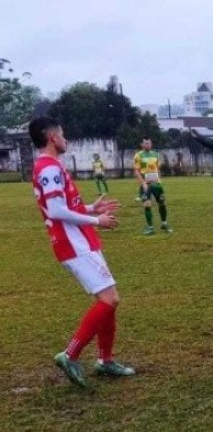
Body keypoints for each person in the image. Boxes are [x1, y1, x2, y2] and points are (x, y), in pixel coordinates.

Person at [28, 117, 135, 388]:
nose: (65, 138)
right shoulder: (48, 167)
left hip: (81, 241)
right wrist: (97, 221)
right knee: (109, 299)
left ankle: (105, 360)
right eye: (62, 134)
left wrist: (90, 209)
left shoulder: (51, 166)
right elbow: (55, 210)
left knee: (109, 298)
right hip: (73, 243)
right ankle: (70, 353)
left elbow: (65, 206)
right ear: (52, 137)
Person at [133, 137, 173, 235]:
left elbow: (157, 168)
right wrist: (143, 183)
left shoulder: (155, 154)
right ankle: (150, 228)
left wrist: (159, 179)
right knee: (147, 205)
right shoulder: (138, 155)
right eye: (145, 143)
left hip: (156, 184)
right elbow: (136, 171)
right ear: (141, 145)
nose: (148, 145)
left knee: (162, 204)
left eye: (149, 143)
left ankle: (164, 224)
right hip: (145, 185)